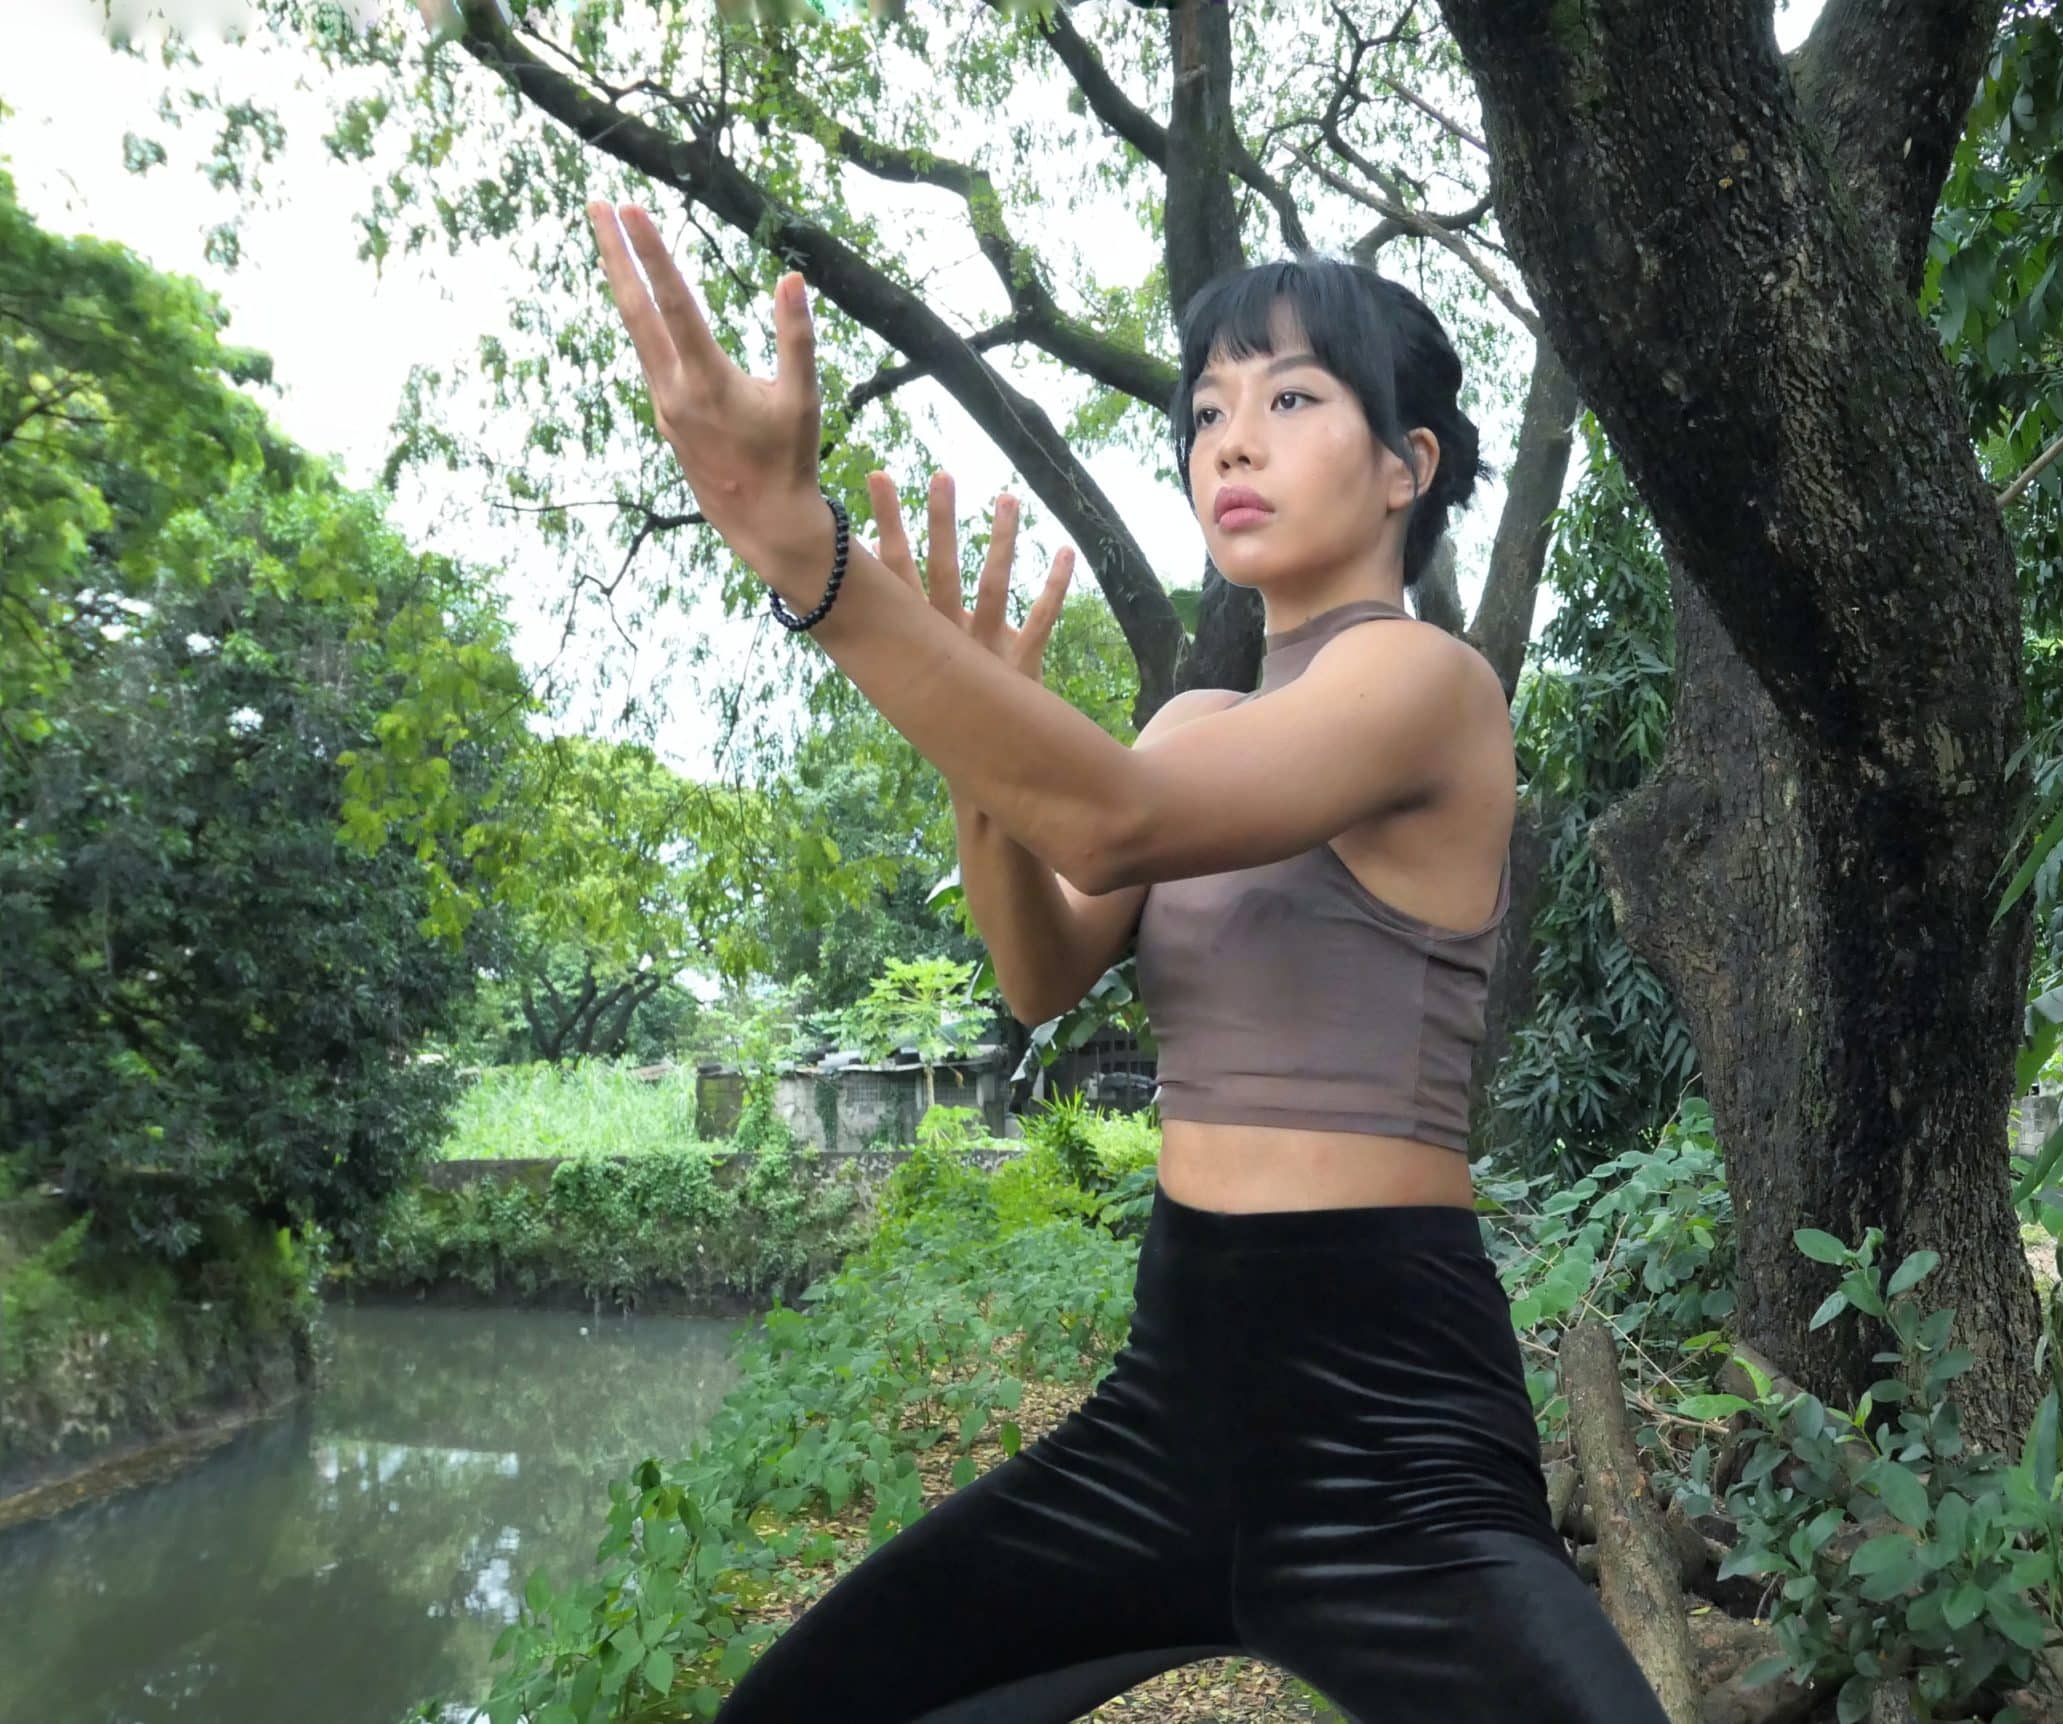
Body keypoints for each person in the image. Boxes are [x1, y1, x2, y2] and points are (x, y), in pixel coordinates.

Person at [584, 201, 1673, 1722]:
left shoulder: (1431, 685)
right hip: (1176, 1396)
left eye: (1292, 400)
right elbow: (1038, 966)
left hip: (1390, 1420)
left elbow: (1109, 819)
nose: (1232, 442)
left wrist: (809, 556)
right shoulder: (1191, 722)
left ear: (1407, 466)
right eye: (1207, 411)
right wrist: (970, 739)